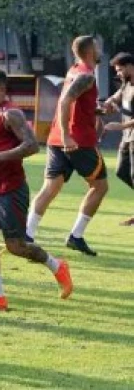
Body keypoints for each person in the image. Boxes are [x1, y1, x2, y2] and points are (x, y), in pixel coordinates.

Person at [0, 66, 73, 311]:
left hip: (10, 190)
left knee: (16, 247)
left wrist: (1, 157)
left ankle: (57, 266)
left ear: (2, 89)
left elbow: (32, 146)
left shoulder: (11, 114)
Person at [27, 36, 108, 256]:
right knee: (100, 187)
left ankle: (27, 235)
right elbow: (65, 102)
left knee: (50, 188)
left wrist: (97, 110)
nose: (100, 50)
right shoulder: (86, 76)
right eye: (98, 47)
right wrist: (67, 135)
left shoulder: (74, 70)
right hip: (77, 141)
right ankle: (76, 236)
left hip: (57, 139)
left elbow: (76, 105)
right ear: (91, 51)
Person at [101, 52, 134, 225]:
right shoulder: (126, 84)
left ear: (130, 66)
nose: (118, 73)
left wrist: (119, 126)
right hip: (127, 137)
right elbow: (117, 96)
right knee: (122, 171)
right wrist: (109, 102)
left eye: (120, 70)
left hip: (131, 134)